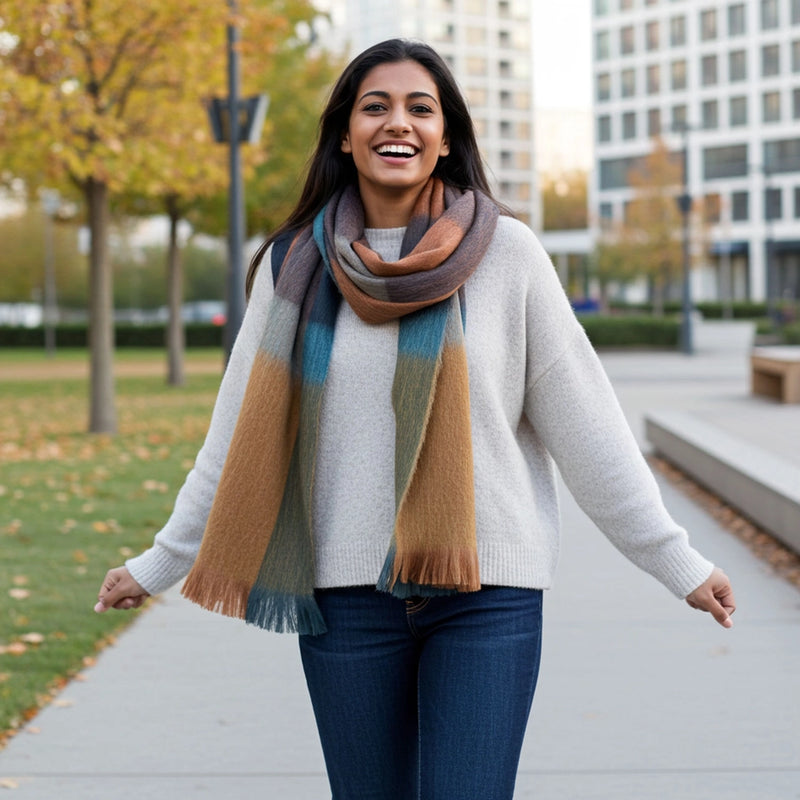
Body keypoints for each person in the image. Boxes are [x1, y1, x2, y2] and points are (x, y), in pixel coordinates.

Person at [95, 38, 736, 800]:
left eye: (419, 108)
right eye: (375, 106)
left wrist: (675, 561)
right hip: (344, 603)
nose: (397, 122)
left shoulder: (509, 258)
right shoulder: (293, 268)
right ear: (344, 132)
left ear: (445, 136)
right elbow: (236, 436)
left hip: (486, 599)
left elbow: (589, 428)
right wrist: (159, 563)